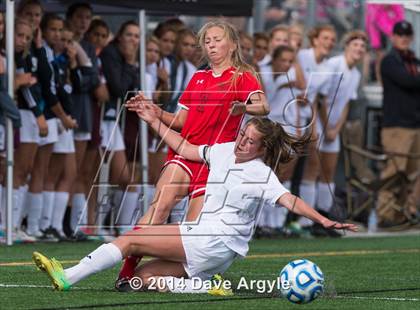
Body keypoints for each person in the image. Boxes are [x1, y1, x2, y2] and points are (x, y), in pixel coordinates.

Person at [32, 111, 357, 292]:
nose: (242, 142)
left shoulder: (262, 174)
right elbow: (186, 149)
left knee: (131, 238)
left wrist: (324, 220)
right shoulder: (224, 149)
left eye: (250, 141)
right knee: (139, 280)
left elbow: (291, 201)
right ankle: (204, 287)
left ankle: (68, 276)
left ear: (263, 149)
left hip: (211, 239)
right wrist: (153, 120)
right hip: (218, 254)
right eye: (243, 134)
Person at [115, 20, 269, 285]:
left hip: (214, 161)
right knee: (159, 207)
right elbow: (181, 121)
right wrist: (155, 112)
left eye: (217, 39)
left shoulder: (243, 76)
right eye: (207, 41)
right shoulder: (198, 77)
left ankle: (183, 277)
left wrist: (244, 108)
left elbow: (263, 106)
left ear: (232, 44)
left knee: (194, 233)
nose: (211, 45)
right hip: (185, 154)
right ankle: (126, 271)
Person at [316, 31, 368, 226]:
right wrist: (327, 125)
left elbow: (346, 103)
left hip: (332, 129)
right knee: (313, 171)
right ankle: (305, 219)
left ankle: (324, 218)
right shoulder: (334, 65)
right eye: (355, 45)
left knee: (328, 172)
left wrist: (336, 128)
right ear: (347, 46)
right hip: (319, 124)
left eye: (362, 47)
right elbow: (319, 98)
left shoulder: (355, 73)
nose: (359, 49)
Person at [295, 24, 336, 236]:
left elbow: (319, 100)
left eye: (332, 39)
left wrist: (321, 126)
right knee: (285, 167)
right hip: (288, 115)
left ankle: (306, 220)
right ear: (315, 38)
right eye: (326, 38)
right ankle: (278, 221)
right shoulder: (302, 56)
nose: (329, 42)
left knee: (313, 166)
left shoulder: (328, 67)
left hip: (308, 117)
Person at [378, 20, 420, 226]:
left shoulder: (414, 62)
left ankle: (405, 213)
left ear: (411, 38)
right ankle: (386, 215)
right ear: (393, 37)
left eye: (407, 35)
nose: (403, 38)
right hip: (396, 126)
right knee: (394, 171)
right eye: (399, 34)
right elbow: (408, 81)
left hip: (414, 125)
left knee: (413, 173)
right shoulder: (389, 61)